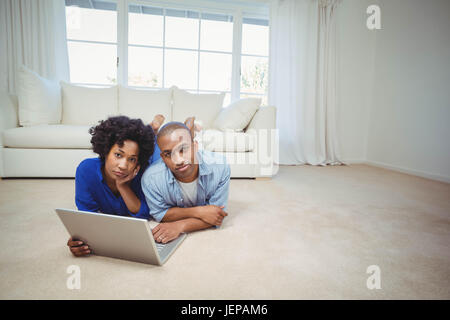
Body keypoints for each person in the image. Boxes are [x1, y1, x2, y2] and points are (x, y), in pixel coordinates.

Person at [67, 114, 164, 257]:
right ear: (106, 151)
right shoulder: (86, 170)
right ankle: (151, 128)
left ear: (137, 163)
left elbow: (144, 215)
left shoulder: (145, 173)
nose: (123, 166)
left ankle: (153, 129)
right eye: (118, 155)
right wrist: (81, 239)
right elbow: (87, 215)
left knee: (161, 156)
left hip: (151, 160)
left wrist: (123, 186)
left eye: (131, 159)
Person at [141, 121, 231, 244]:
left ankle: (191, 121)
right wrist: (200, 211)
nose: (178, 160)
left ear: (195, 146)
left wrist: (180, 226)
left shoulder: (220, 166)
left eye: (183, 149)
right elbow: (160, 214)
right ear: (162, 157)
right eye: (168, 154)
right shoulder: (151, 179)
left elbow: (217, 216)